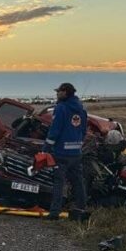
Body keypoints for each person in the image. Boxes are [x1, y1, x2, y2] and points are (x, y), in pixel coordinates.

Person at [43, 82, 88, 220]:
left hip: (61, 153)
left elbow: (55, 130)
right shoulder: (81, 109)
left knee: (58, 182)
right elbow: (84, 129)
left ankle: (54, 213)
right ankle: (82, 209)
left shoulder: (61, 108)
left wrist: (47, 147)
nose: (56, 94)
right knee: (78, 182)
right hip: (76, 152)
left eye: (58, 92)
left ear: (65, 92)